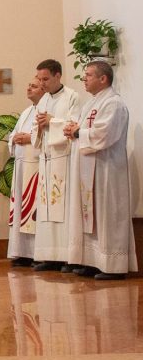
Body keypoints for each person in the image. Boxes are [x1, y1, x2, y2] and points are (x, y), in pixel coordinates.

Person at [62, 61, 137, 280]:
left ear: (103, 79)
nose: (84, 79)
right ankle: (93, 261)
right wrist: (72, 129)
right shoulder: (92, 103)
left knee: (107, 215)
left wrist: (78, 133)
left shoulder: (114, 104)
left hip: (106, 170)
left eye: (88, 75)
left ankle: (113, 266)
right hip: (89, 168)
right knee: (91, 215)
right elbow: (82, 128)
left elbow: (105, 134)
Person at [30, 59, 79, 272]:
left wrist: (52, 121)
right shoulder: (43, 100)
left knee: (62, 208)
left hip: (62, 159)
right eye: (39, 79)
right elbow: (35, 128)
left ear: (58, 76)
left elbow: (74, 125)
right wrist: (39, 128)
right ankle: (49, 255)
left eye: (46, 79)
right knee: (46, 208)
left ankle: (67, 256)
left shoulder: (72, 96)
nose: (42, 83)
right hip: (46, 158)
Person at [7, 77, 45, 267]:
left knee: (34, 209)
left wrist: (30, 137)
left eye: (34, 86)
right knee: (21, 209)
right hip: (21, 167)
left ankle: (37, 253)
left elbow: (48, 135)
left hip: (36, 167)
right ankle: (21, 252)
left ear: (44, 90)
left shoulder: (45, 112)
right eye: (29, 85)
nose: (29, 88)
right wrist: (14, 138)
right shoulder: (26, 112)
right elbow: (13, 134)